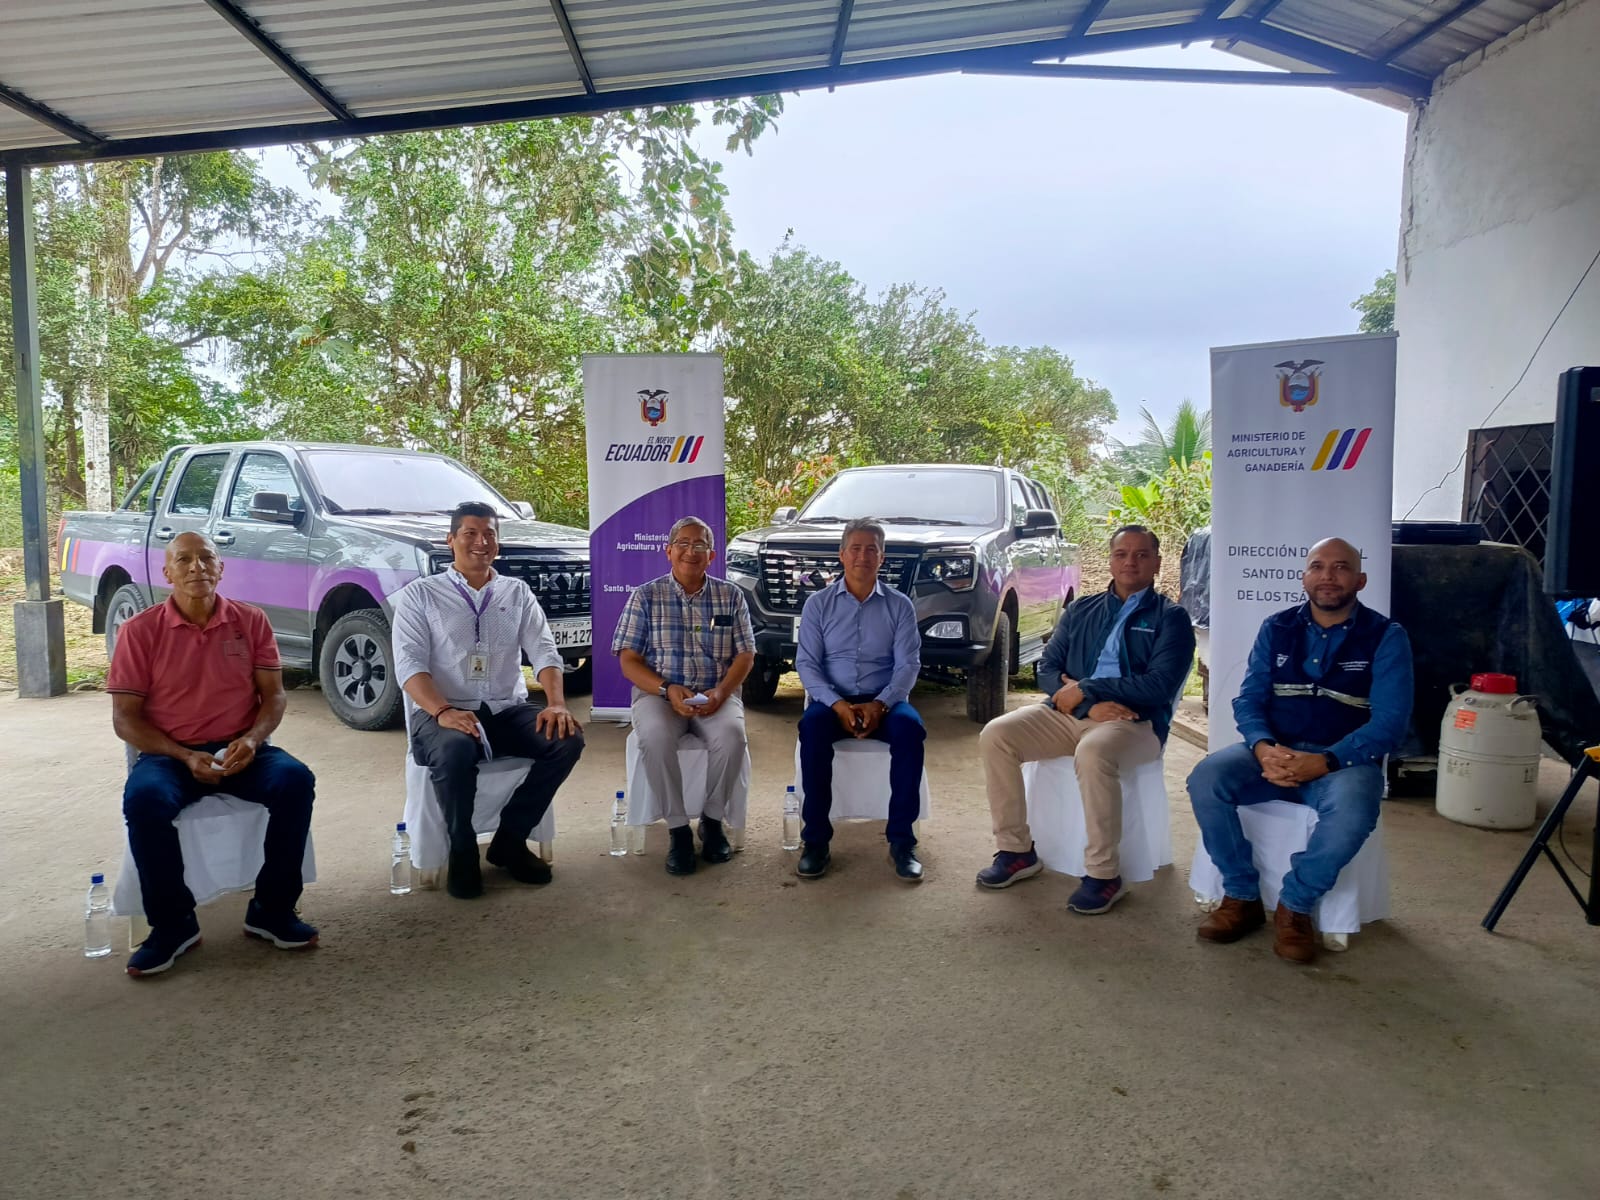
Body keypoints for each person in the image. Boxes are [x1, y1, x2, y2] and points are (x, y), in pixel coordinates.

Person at [1186, 537, 1413, 964]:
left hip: (1342, 763)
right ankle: (1241, 895)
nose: (1328, 576)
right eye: (1318, 566)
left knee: (1354, 810)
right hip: (1273, 753)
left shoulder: (1386, 636)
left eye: (1341, 567)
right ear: (1304, 577)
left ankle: (1295, 906)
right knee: (1206, 778)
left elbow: (1390, 723)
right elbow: (1249, 700)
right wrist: (1262, 747)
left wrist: (1325, 761)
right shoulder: (1277, 627)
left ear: (1361, 580)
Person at [110, 532, 318, 977]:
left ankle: (272, 909)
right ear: (167, 572)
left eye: (206, 558)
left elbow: (274, 696)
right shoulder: (140, 631)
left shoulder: (251, 620)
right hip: (170, 755)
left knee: (295, 780)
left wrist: (253, 740)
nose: (196, 567)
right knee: (144, 800)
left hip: (241, 748)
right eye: (184, 560)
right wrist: (184, 756)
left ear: (221, 568)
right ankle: (173, 925)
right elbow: (125, 719)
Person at [975, 525, 1195, 914]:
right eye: (1121, 554)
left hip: (1134, 722)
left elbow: (1159, 686)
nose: (1130, 562)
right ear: (1110, 560)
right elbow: (1047, 669)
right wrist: (1086, 706)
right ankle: (1016, 851)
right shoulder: (1081, 609)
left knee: (1093, 753)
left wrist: (1088, 688)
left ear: (1157, 563)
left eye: (1141, 555)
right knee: (997, 734)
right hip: (1073, 714)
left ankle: (1104, 874)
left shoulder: (1171, 618)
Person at [391, 501, 585, 899]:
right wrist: (443, 710)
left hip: (505, 707)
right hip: (443, 711)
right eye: (470, 534)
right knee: (456, 749)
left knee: (566, 739)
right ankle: (462, 851)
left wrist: (556, 703)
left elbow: (545, 652)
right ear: (450, 540)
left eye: (489, 535)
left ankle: (510, 840)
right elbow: (409, 665)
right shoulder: (420, 596)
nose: (481, 542)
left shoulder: (516, 592)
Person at [613, 516, 756, 875]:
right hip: (660, 695)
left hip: (716, 694)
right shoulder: (645, 596)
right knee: (655, 736)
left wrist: (722, 692)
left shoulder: (731, 596)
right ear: (669, 551)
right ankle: (677, 829)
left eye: (700, 545)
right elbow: (628, 660)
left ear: (712, 556)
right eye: (683, 544)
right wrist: (666, 688)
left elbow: (745, 655)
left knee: (733, 736)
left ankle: (712, 821)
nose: (691, 551)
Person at [794, 518, 925, 882]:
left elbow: (908, 664)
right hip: (832, 701)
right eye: (855, 548)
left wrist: (880, 705)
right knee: (812, 729)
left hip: (885, 700)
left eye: (871, 550)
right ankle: (815, 841)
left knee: (911, 730)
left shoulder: (900, 606)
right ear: (842, 555)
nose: (862, 556)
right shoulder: (818, 605)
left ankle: (902, 842)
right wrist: (836, 704)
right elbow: (806, 663)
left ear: (882, 557)